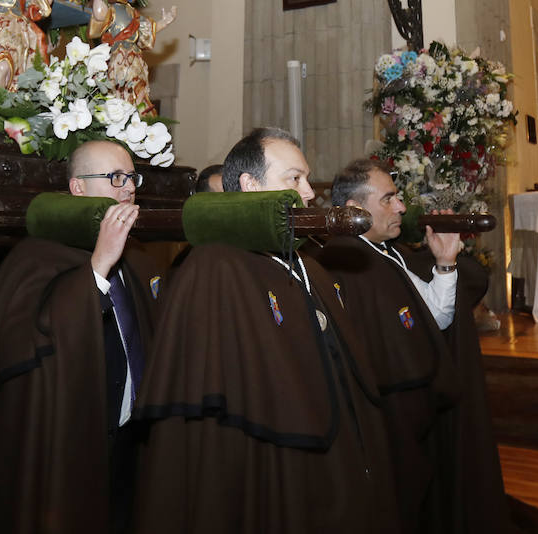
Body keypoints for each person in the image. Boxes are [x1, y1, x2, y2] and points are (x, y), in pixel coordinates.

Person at [132, 128, 400, 534]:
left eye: (307, 179)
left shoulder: (307, 263)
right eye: (294, 179)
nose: (309, 193)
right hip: (265, 472)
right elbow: (211, 425)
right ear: (250, 185)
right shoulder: (214, 267)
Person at [0, 140, 157, 533]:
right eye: (114, 178)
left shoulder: (138, 255)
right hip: (66, 439)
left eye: (131, 177)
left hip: (128, 438)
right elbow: (30, 339)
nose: (128, 188)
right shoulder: (38, 253)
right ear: (77, 188)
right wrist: (97, 267)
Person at [318, 159, 464, 533]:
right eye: (389, 199)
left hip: (411, 416)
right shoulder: (344, 260)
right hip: (384, 421)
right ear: (355, 209)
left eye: (397, 198)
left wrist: (445, 263)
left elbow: (435, 318)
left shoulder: (386, 253)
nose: (401, 207)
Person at [89, 0, 176, 116]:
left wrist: (165, 21)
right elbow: (99, 13)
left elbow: (146, 30)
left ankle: (139, 116)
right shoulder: (112, 10)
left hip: (135, 59)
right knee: (118, 91)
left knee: (139, 90)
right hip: (118, 58)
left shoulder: (133, 13)